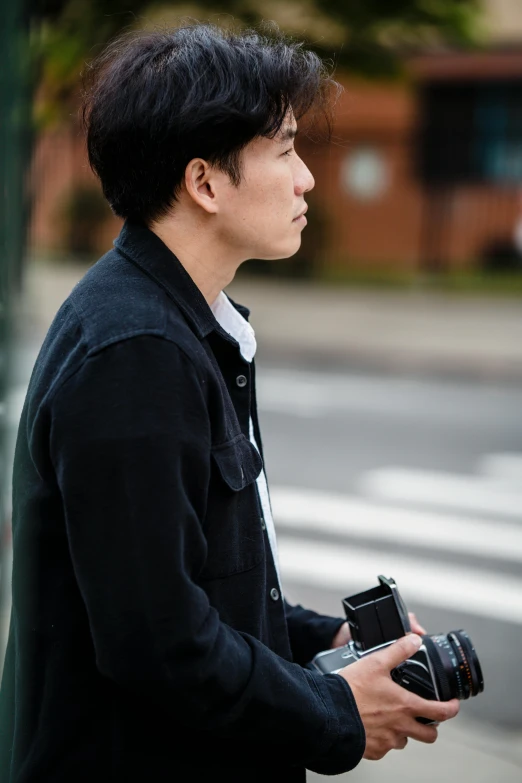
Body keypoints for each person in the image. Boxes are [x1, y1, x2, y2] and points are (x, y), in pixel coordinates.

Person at [0, 24, 459, 782]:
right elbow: (160, 646)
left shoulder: (179, 324)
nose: (307, 177)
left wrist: (324, 639)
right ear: (205, 182)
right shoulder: (136, 353)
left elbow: (200, 589)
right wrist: (336, 711)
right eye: (284, 149)